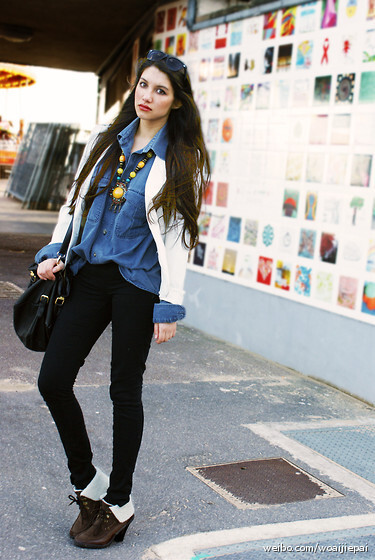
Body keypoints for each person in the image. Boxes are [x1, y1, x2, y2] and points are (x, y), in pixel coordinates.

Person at [35, 50, 210, 549]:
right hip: (89, 275)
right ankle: (86, 484)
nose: (147, 96)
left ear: (176, 103)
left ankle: (119, 500)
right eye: (144, 85)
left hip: (137, 284)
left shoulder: (182, 158)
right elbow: (75, 202)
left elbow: (179, 235)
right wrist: (54, 251)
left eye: (161, 91)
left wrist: (169, 304)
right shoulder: (104, 141)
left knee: (123, 392)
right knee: (53, 379)